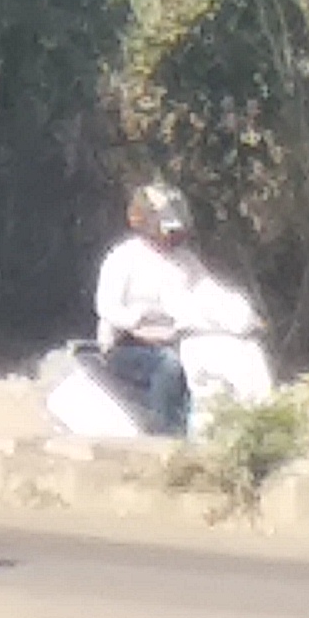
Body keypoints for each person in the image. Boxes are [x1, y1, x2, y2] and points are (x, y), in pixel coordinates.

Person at [93, 183, 215, 440]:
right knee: (168, 366)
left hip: (181, 339)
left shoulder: (187, 261)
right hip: (126, 346)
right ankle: (166, 437)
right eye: (166, 228)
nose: (172, 236)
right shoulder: (123, 258)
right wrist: (139, 325)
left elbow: (209, 293)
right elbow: (107, 307)